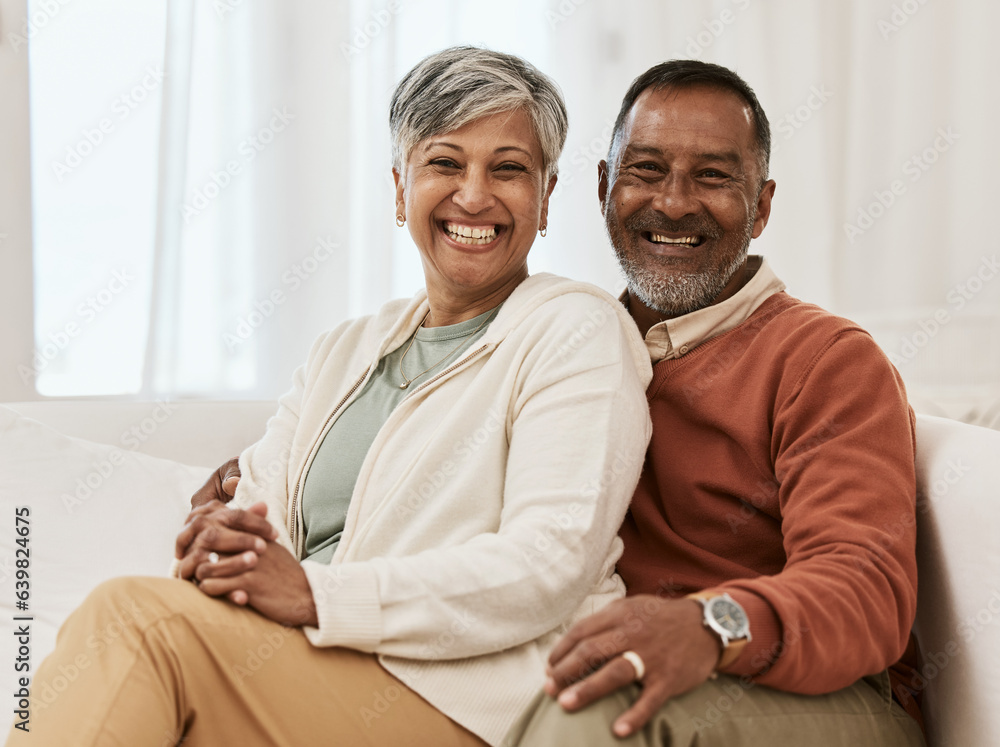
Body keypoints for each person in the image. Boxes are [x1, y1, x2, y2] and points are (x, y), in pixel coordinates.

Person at [12, 47, 653, 747]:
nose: (474, 194)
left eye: (508, 168)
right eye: (444, 163)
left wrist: (315, 593)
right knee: (89, 660)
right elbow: (257, 507)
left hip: (465, 707)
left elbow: (546, 563)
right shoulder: (344, 350)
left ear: (546, 196)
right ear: (400, 188)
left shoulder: (578, 329)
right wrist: (221, 550)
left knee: (133, 619)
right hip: (302, 675)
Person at [504, 60, 926, 746]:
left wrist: (710, 623)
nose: (673, 203)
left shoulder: (827, 359)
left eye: (712, 176)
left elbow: (865, 591)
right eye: (645, 170)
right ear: (605, 189)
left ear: (761, 205)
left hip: (829, 699)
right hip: (625, 662)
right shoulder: (570, 352)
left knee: (592, 703)